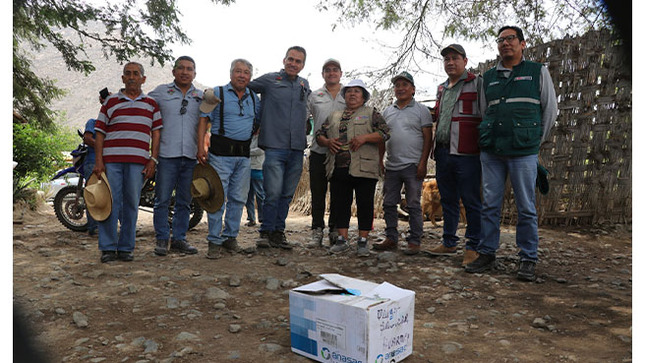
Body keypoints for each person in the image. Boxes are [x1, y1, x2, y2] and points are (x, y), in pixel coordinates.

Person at [465, 26, 558, 281]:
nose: (505, 43)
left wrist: (533, 142)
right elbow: (485, 112)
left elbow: (550, 110)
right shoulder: (489, 77)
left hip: (523, 151)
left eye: (511, 39)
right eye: (501, 40)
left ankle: (528, 257)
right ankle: (487, 253)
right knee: (490, 204)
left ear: (523, 43)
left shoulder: (537, 72)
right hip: (492, 151)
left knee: (526, 206)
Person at [93, 62, 162, 263]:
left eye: (136, 74)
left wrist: (153, 160)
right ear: (122, 78)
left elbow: (156, 134)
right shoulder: (110, 102)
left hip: (138, 164)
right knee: (109, 204)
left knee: (131, 205)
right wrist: (99, 161)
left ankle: (126, 248)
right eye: (128, 74)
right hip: (111, 162)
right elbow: (99, 132)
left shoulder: (151, 104)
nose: (132, 77)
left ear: (143, 79)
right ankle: (107, 248)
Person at [315, 79, 390, 256]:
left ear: (363, 97)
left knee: (365, 204)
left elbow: (385, 133)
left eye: (357, 91)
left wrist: (365, 138)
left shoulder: (372, 113)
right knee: (341, 203)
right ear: (345, 95)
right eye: (349, 91)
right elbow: (319, 133)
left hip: (365, 167)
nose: (353, 94)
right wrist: (327, 142)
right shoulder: (334, 115)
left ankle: (363, 241)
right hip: (339, 167)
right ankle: (342, 239)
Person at [426, 44, 485, 267]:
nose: (450, 62)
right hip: (443, 151)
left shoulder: (477, 83)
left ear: (465, 61)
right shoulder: (442, 88)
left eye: (455, 58)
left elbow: (485, 113)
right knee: (448, 199)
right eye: (446, 59)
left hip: (467, 152)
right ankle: (449, 241)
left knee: (471, 200)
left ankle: (473, 247)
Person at [248, 46, 311, 249]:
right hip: (274, 146)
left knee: (286, 194)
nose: (293, 63)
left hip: (297, 148)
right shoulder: (269, 80)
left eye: (298, 61)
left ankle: (278, 232)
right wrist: (256, 119)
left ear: (303, 65)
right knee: (272, 192)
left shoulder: (304, 84)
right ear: (284, 60)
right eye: (290, 59)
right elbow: (245, 89)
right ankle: (265, 232)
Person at [197, 59, 260, 259]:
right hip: (220, 156)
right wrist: (200, 147)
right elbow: (202, 120)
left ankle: (230, 238)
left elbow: (256, 123)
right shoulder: (217, 93)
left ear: (250, 76)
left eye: (246, 73)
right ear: (231, 73)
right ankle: (214, 242)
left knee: (238, 199)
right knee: (216, 199)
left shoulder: (253, 97)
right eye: (238, 71)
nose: (242, 75)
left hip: (243, 156)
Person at [373, 72, 432, 256]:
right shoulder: (388, 111)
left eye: (405, 85)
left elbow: (428, 137)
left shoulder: (421, 110)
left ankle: (415, 241)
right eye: (397, 85)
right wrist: (380, 159)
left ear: (413, 89)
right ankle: (391, 237)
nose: (400, 88)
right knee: (389, 203)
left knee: (413, 203)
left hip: (413, 165)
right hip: (392, 165)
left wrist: (423, 163)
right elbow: (382, 138)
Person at [149, 56, 202, 257]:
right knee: (162, 199)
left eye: (189, 69)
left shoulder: (200, 96)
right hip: (166, 155)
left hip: (190, 156)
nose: (185, 72)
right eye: (181, 68)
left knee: (184, 201)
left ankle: (179, 239)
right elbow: (141, 103)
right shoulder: (161, 92)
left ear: (194, 74)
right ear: (174, 71)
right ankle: (162, 238)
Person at [306, 58, 346, 248]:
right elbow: (305, 120)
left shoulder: (350, 94)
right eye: (327, 70)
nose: (331, 73)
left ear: (341, 73)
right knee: (318, 193)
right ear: (323, 74)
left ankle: (334, 230)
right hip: (318, 151)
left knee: (339, 193)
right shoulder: (315, 95)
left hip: (341, 153)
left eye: (335, 70)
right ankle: (317, 230)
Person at [245, 132, 265, 227]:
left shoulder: (263, 137)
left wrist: (247, 151)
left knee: (260, 195)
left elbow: (260, 150)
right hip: (249, 168)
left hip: (258, 168)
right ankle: (251, 218)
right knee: (248, 196)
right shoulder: (250, 137)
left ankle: (262, 218)